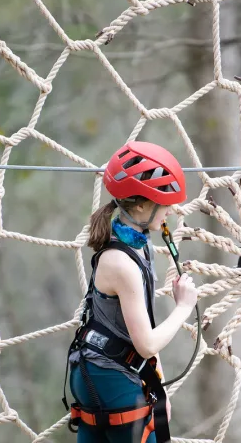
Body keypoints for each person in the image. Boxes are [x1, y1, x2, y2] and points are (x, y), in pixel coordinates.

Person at [62, 141, 198, 443]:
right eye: (164, 204)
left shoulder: (137, 244)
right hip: (112, 380)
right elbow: (147, 343)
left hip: (99, 373)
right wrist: (183, 307)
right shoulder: (121, 263)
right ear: (139, 206)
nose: (171, 211)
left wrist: (156, 384)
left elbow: (143, 324)